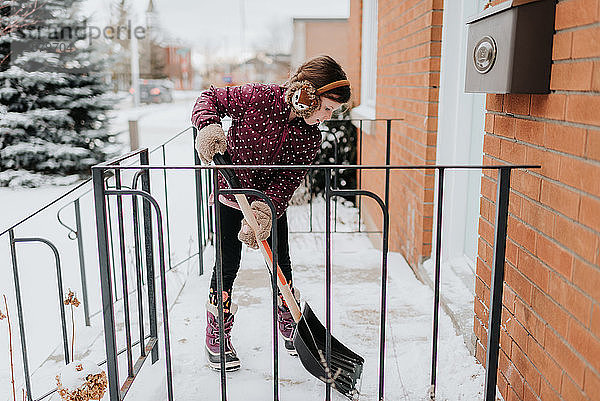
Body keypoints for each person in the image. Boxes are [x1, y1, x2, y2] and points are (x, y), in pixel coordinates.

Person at [191, 55, 351, 371]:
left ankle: (288, 318)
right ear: (308, 95)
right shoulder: (259, 97)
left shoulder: (310, 137)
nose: (328, 117)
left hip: (267, 204)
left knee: (280, 261)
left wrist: (265, 212)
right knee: (227, 263)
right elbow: (209, 97)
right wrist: (209, 126)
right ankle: (217, 328)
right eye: (327, 108)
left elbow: (287, 180)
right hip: (229, 195)